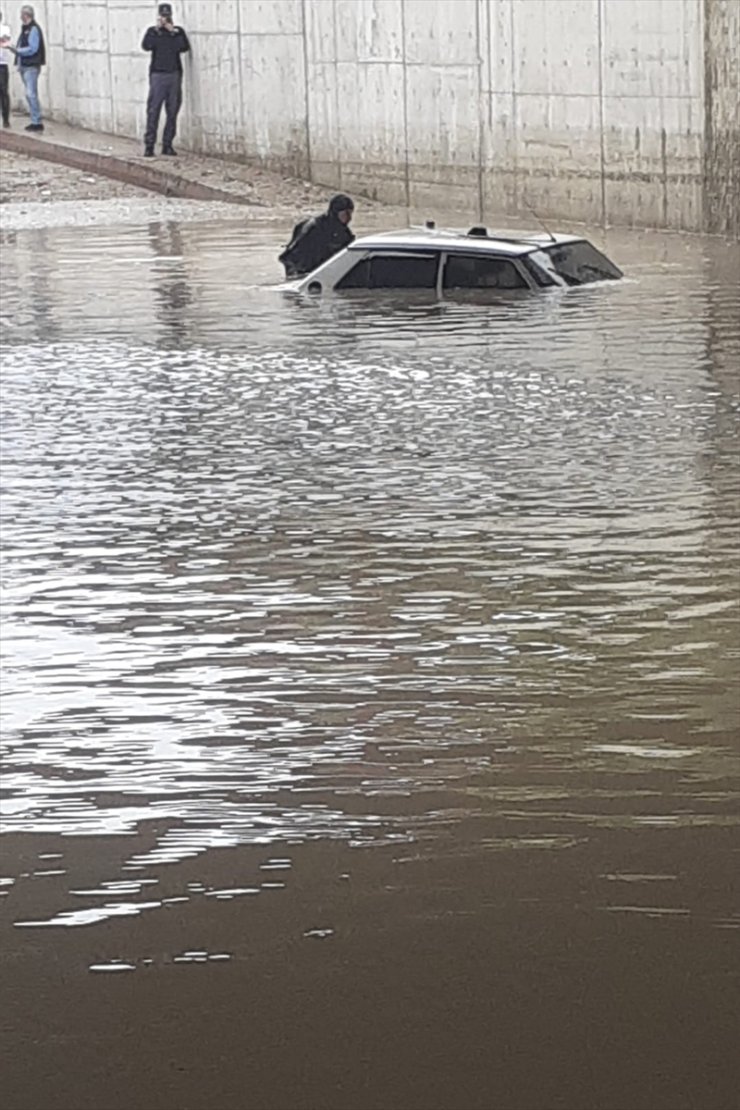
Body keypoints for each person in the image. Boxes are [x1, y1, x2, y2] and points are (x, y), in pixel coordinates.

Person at [141, 3, 190, 157]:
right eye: (162, 15)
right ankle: (149, 145)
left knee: (172, 111)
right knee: (153, 110)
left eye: (167, 15)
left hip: (174, 74)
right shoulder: (153, 32)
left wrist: (173, 32)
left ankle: (167, 144)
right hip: (158, 75)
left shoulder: (177, 32)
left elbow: (183, 47)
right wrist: (157, 30)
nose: (165, 18)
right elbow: (146, 46)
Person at [279, 195, 355, 278]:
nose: (349, 218)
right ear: (335, 212)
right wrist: (294, 276)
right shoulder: (312, 227)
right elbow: (288, 256)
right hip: (303, 275)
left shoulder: (345, 234)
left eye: (350, 213)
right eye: (345, 214)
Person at [8, 4, 45, 132]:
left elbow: (32, 48)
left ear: (25, 15)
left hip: (31, 66)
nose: (20, 17)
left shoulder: (33, 29)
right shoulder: (26, 29)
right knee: (29, 94)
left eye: (21, 14)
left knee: (31, 94)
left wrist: (17, 50)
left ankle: (37, 121)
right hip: (25, 65)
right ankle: (35, 119)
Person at [0, 11, 11, 128]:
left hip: (2, 63)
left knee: (3, 92)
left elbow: (5, 42)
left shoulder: (5, 29)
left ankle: (6, 119)